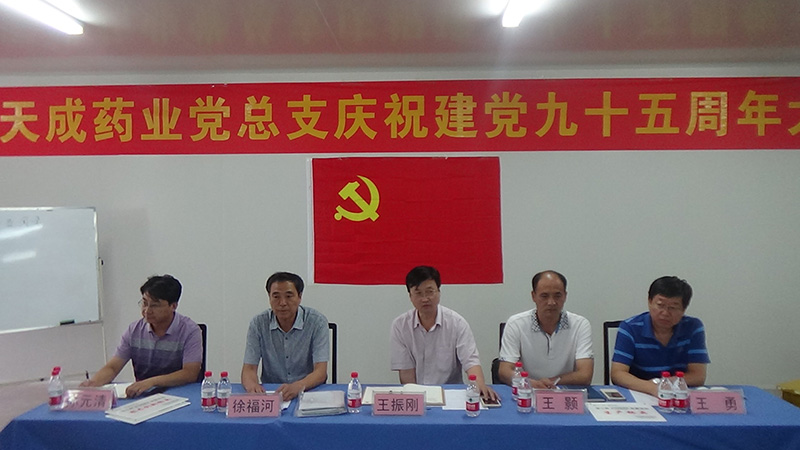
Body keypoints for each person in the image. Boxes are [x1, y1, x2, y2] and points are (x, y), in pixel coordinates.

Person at [81, 275, 202, 397]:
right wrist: (93, 384)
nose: (147, 310)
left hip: (180, 396)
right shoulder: (134, 330)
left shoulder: (190, 331)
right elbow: (112, 367)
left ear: (173, 306)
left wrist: (151, 382)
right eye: (144, 303)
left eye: (155, 305)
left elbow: (190, 373)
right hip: (144, 396)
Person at [390, 265, 499, 402]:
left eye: (430, 292)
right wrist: (414, 400)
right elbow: (406, 373)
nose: (425, 298)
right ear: (410, 296)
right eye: (418, 293)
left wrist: (480, 385)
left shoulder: (457, 323)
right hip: (417, 395)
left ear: (439, 292)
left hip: (451, 395)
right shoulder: (400, 326)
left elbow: (470, 361)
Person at [610, 276, 710, 396]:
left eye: (672, 308)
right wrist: (652, 388)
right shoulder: (629, 328)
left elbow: (698, 376)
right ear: (649, 302)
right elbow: (618, 374)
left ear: (683, 309)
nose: (665, 313)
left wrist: (664, 385)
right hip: (641, 394)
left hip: (677, 396)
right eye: (660, 305)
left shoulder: (693, 328)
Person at [241, 272, 329, 400]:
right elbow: (249, 368)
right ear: (269, 298)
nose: (282, 303)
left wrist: (298, 386)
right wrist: (252, 386)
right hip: (272, 392)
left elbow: (320, 372)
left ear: (299, 297)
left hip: (308, 391)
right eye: (276, 296)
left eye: (289, 296)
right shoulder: (258, 323)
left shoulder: (317, 322)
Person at [498, 270, 593, 388]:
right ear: (533, 296)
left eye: (557, 296)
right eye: (544, 296)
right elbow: (505, 371)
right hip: (527, 390)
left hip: (564, 390)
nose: (551, 302)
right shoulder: (516, 324)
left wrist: (551, 382)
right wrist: (531, 383)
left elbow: (585, 375)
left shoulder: (580, 325)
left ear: (565, 296)